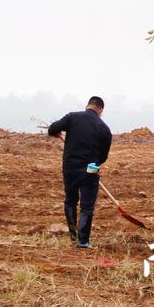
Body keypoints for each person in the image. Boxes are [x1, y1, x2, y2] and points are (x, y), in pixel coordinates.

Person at [48, 96, 112, 249]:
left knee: (70, 200)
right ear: (101, 110)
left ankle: (72, 234)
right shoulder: (104, 128)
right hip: (90, 169)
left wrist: (57, 133)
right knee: (87, 206)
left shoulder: (72, 117)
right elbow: (103, 156)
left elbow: (52, 129)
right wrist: (95, 163)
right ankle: (83, 241)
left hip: (69, 167)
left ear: (87, 106)